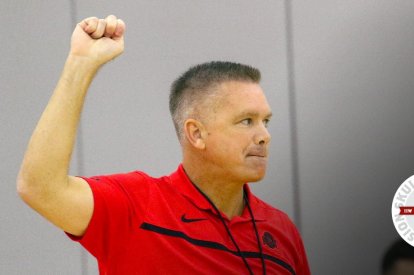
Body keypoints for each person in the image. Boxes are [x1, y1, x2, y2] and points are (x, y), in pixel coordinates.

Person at [17, 15, 310, 275]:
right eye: (246, 121)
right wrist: (81, 64)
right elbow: (39, 187)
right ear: (196, 134)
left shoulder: (281, 230)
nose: (264, 135)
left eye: (265, 121)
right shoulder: (135, 208)